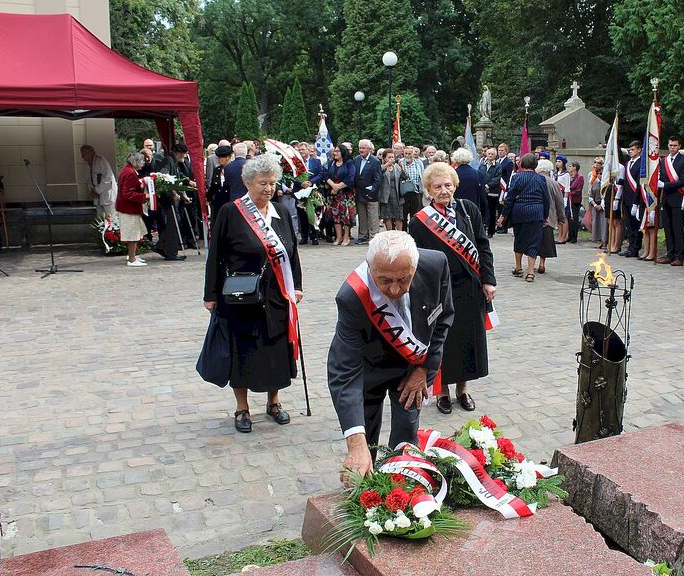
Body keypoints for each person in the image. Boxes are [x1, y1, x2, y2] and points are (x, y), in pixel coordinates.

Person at [328, 231, 454, 477]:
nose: (395, 289)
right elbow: (344, 371)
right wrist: (355, 443)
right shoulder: (351, 296)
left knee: (406, 438)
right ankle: (366, 489)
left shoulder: (436, 265)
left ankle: (402, 485)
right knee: (364, 443)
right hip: (368, 370)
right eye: (384, 280)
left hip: (412, 368)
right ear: (370, 267)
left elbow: (443, 319)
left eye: (404, 279)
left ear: (414, 268)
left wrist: (424, 368)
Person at [204, 154, 304, 433]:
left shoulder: (281, 212)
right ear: (248, 183)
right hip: (241, 296)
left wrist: (296, 286)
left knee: (275, 350)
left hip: (276, 295)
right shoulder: (230, 212)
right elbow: (215, 256)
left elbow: (292, 253)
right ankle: (242, 408)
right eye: (262, 183)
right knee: (243, 350)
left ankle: (274, 402)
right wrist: (210, 294)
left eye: (272, 183)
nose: (268, 188)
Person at [409, 163, 496, 414]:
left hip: (469, 289)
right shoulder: (420, 221)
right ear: (428, 190)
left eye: (448, 185)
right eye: (438, 186)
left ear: (455, 185)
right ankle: (443, 391)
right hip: (438, 291)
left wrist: (488, 280)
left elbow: (483, 245)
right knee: (442, 342)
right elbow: (416, 260)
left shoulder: (469, 210)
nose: (444, 190)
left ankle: (463, 390)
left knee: (467, 339)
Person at [497, 153, 550, 282]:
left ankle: (518, 267)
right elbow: (546, 199)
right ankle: (531, 272)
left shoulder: (517, 177)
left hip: (519, 212)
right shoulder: (541, 179)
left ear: (521, 164)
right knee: (534, 241)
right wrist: (545, 215)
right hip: (536, 212)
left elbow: (509, 199)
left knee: (519, 239)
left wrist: (503, 216)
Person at [656, 136, 684, 266]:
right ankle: (670, 254)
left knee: (677, 228)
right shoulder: (664, 161)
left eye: (675, 145)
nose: (672, 148)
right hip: (666, 199)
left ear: (679, 146)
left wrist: (665, 185)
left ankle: (679, 256)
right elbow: (662, 177)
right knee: (668, 229)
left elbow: (682, 180)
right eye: (670, 145)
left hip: (678, 198)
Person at [116, 151, 149, 267]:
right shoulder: (130, 173)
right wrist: (144, 196)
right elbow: (128, 194)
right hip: (128, 209)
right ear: (136, 162)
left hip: (127, 208)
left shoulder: (127, 170)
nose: (143, 163)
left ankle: (133, 256)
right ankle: (131, 259)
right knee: (132, 234)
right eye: (142, 161)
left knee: (135, 233)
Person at [535, 159, 566, 274]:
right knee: (546, 240)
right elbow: (559, 202)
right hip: (549, 216)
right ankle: (542, 263)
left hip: (535, 214)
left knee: (534, 240)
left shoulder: (535, 180)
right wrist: (561, 217)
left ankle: (531, 263)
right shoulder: (553, 183)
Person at [326, 144, 356, 246]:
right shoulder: (331, 163)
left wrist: (338, 187)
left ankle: (346, 237)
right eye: (335, 151)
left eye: (338, 151)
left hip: (346, 194)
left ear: (343, 152)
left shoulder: (349, 163)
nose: (335, 153)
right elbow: (325, 175)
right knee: (336, 216)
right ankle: (338, 236)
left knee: (346, 216)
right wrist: (333, 186)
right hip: (333, 194)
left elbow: (350, 177)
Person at [353, 139, 382, 244]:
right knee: (362, 216)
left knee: (373, 216)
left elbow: (378, 180)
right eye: (360, 148)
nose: (361, 150)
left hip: (371, 194)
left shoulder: (375, 161)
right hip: (359, 193)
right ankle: (363, 235)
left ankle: (374, 237)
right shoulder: (356, 159)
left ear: (369, 149)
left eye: (364, 148)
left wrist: (372, 192)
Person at [81, 145, 117, 220]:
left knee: (111, 219)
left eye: (84, 154)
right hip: (97, 198)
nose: (82, 156)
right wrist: (92, 191)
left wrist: (97, 190)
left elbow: (108, 177)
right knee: (100, 219)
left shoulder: (100, 160)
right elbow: (88, 180)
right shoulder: (86, 165)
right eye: (82, 154)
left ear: (91, 152)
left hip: (108, 195)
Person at [621, 141, 643, 258]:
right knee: (628, 225)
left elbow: (639, 184)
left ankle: (635, 248)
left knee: (636, 225)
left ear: (639, 150)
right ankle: (630, 246)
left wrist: (636, 202)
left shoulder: (641, 164)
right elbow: (625, 181)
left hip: (635, 199)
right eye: (629, 150)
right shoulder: (628, 163)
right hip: (626, 198)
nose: (630, 151)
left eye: (633, 149)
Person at [451, 147, 488, 219]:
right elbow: (482, 196)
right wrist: (483, 213)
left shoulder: (452, 174)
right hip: (473, 209)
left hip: (456, 210)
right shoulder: (478, 174)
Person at [378, 149, 405, 231]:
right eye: (389, 157)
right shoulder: (381, 167)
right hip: (386, 195)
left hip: (397, 195)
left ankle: (399, 234)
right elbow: (377, 174)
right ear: (384, 158)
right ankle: (390, 233)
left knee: (399, 216)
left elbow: (405, 177)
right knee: (387, 216)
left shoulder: (397, 167)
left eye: (392, 157)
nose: (391, 159)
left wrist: (402, 168)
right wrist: (386, 165)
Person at [399, 146, 424, 225]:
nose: (407, 155)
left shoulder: (419, 163)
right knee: (403, 214)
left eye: (409, 153)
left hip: (416, 192)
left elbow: (422, 176)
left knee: (415, 214)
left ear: (413, 154)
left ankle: (414, 232)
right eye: (405, 153)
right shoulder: (400, 162)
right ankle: (404, 232)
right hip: (404, 192)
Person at [207, 145, 233, 221]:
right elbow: (213, 186)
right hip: (218, 203)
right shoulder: (217, 170)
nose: (218, 160)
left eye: (220, 158)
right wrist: (209, 198)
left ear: (227, 157)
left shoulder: (233, 169)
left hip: (229, 201)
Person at [482, 147, 501, 237]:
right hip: (483, 192)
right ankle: (482, 230)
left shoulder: (498, 166)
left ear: (495, 155)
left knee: (492, 212)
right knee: (483, 211)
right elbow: (480, 175)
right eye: (488, 153)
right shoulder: (482, 164)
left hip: (493, 192)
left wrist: (488, 186)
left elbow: (497, 179)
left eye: (492, 154)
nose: (490, 155)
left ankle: (491, 231)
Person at [588, 161, 607, 246]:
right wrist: (595, 205)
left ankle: (604, 240)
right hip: (595, 204)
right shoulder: (594, 182)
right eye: (599, 173)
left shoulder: (606, 184)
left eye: (602, 173)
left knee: (604, 223)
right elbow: (590, 195)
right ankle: (597, 239)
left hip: (603, 205)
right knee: (596, 222)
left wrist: (602, 204)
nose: (600, 175)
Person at [566, 160, 584, 244]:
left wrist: (569, 193)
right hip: (568, 200)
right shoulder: (569, 177)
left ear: (575, 168)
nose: (569, 168)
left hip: (575, 200)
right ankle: (569, 235)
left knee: (574, 218)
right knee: (569, 218)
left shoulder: (580, 178)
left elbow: (578, 190)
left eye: (570, 166)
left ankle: (574, 236)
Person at [554, 156, 570, 243]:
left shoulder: (566, 174)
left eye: (559, 161)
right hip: (557, 194)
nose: (557, 163)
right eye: (556, 161)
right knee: (558, 217)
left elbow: (567, 187)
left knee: (564, 217)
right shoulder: (556, 174)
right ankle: (559, 236)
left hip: (563, 194)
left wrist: (565, 199)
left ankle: (563, 237)